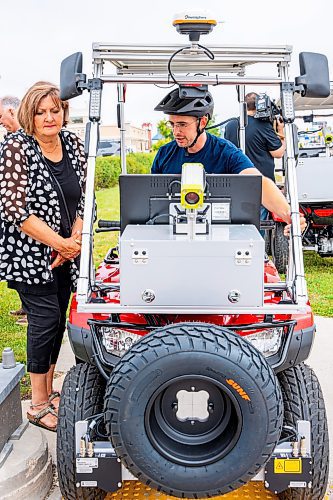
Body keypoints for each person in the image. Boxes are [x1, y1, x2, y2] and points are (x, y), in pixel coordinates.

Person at [0, 82, 86, 432]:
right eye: (41, 112)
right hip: (30, 254)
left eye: (55, 110)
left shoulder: (73, 143)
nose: (49, 118)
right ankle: (37, 404)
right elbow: (14, 208)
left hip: (67, 252)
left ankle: (49, 392)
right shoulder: (16, 147)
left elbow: (87, 193)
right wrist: (59, 243)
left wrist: (74, 239)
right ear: (29, 115)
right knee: (44, 319)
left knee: (58, 319)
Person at [152, 88, 303, 235]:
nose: (176, 132)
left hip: (217, 235)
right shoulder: (164, 154)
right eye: (172, 124)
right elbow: (150, 197)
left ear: (203, 122)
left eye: (182, 124)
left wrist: (290, 216)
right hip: (172, 234)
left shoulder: (225, 152)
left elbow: (258, 183)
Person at [224, 92, 286, 228]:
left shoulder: (230, 125)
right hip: (259, 184)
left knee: (236, 225)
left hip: (234, 183)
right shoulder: (264, 126)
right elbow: (278, 153)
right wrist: (281, 133)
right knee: (257, 226)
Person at [0, 95, 28, 323]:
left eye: (1, 116)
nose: (1, 122)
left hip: (25, 215)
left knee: (27, 262)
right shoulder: (10, 138)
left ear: (11, 111)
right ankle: (25, 305)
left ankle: (32, 310)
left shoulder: (26, 139)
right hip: (11, 215)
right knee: (16, 264)